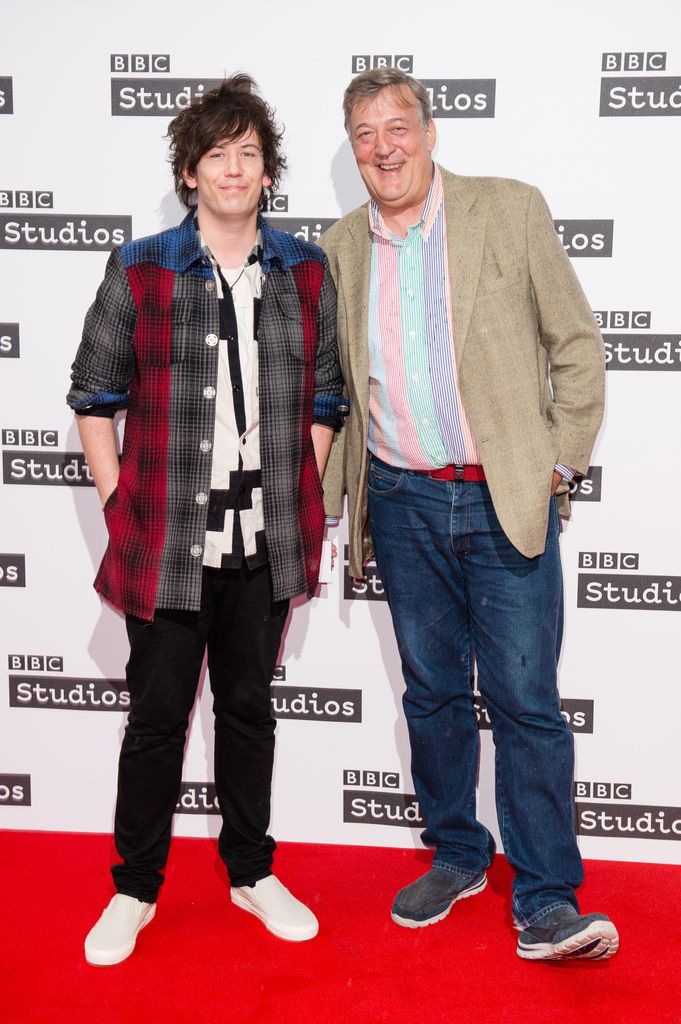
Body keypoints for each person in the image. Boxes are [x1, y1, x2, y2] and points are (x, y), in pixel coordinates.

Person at [320, 68, 617, 961]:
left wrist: (559, 463)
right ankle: (456, 852)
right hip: (401, 500)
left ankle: (547, 900)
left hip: (504, 497)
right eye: (365, 134)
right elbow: (335, 385)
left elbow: (575, 342)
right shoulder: (338, 247)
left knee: (525, 701)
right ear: (354, 149)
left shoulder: (509, 209)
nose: (384, 147)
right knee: (433, 694)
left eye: (397, 126)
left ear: (429, 130)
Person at [67, 74, 346, 965]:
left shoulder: (306, 269)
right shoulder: (141, 266)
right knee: (154, 722)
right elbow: (93, 398)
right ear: (189, 173)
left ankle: (250, 871)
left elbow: (329, 397)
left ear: (269, 174)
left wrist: (299, 490)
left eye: (250, 154)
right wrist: (120, 506)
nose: (234, 168)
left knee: (248, 712)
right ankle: (135, 888)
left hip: (266, 540)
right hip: (164, 542)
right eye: (216, 154)